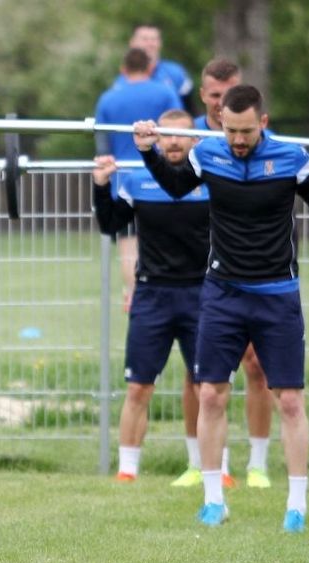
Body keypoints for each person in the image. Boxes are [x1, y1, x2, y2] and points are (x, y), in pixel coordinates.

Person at [133, 85, 309, 532]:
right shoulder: (207, 154)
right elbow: (176, 187)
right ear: (220, 123)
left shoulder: (291, 158)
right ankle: (213, 500)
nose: (237, 140)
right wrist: (148, 152)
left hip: (278, 295)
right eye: (231, 130)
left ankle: (296, 507)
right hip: (223, 294)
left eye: (246, 131)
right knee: (210, 394)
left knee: (289, 401)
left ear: (263, 123)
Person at [92, 109, 206, 484]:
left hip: (202, 295)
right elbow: (110, 223)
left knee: (207, 387)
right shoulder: (138, 179)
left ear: (196, 140)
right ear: (156, 139)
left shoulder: (211, 179)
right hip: (152, 296)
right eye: (165, 134)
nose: (173, 141)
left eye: (181, 135)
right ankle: (127, 471)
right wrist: (101, 185)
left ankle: (208, 468)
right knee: (139, 386)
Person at [180, 57, 274, 490]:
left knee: (257, 365)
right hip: (196, 263)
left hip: (247, 265)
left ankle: (258, 463)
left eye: (228, 95)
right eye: (214, 96)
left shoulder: (253, 138)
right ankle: (206, 465)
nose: (221, 105)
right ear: (203, 95)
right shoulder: (187, 138)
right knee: (200, 373)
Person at [97, 48, 182, 313]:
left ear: (123, 69)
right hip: (160, 179)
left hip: (123, 181)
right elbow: (178, 128)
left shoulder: (107, 98)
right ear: (150, 68)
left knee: (128, 245)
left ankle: (135, 297)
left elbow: (102, 144)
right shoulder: (165, 93)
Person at [116, 23, 194, 110]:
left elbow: (189, 108)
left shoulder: (176, 72)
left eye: (154, 39)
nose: (150, 44)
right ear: (132, 42)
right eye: (144, 39)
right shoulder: (122, 81)